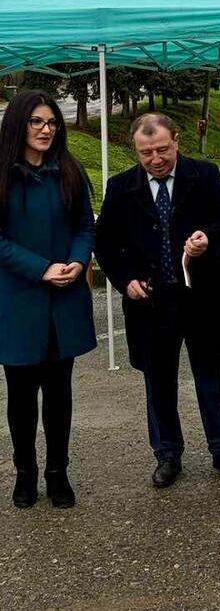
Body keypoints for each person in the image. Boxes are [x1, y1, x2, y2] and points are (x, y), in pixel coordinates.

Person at [95, 113, 220, 489]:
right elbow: (107, 244)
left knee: (211, 375)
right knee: (158, 380)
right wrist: (125, 279)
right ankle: (167, 454)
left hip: (201, 297)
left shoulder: (204, 175)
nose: (156, 159)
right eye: (146, 153)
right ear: (136, 149)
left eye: (162, 149)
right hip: (149, 302)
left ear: (176, 140)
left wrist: (209, 238)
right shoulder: (120, 187)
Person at [0, 91, 95, 509]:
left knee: (59, 391)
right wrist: (39, 268)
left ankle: (58, 471)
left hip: (64, 297)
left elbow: (85, 226)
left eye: (52, 123)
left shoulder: (69, 171)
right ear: (19, 125)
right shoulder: (1, 175)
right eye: (37, 122)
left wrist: (76, 261)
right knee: (21, 394)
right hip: (18, 298)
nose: (46, 130)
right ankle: (25, 471)